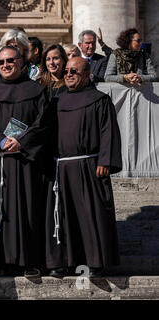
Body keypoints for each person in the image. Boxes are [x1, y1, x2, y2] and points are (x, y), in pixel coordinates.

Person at [0, 45, 51, 279]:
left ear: (21, 63)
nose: (5, 66)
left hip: (28, 164)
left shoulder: (37, 91)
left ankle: (30, 261)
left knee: (30, 210)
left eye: (10, 61)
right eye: (1, 62)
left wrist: (23, 143)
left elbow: (44, 122)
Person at [45, 57, 122, 278]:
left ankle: (95, 262)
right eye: (67, 71)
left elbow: (109, 131)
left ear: (87, 74)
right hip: (61, 168)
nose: (68, 74)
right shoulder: (56, 101)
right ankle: (63, 262)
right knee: (62, 217)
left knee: (90, 216)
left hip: (90, 166)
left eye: (74, 71)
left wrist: (106, 160)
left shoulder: (100, 100)